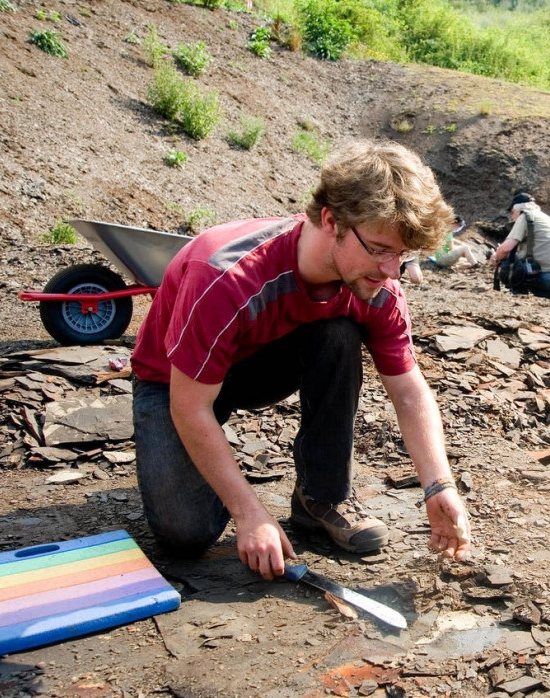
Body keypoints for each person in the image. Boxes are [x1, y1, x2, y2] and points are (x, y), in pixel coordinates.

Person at [129, 139, 473, 581]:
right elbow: (189, 405)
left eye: (402, 256)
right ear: (332, 220)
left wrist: (438, 484)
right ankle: (202, 475)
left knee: (338, 333)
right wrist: (249, 512)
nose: (392, 270)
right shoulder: (225, 275)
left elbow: (408, 391)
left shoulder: (376, 287)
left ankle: (321, 498)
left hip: (259, 366)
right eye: (381, 250)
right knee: (187, 534)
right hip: (174, 382)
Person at [489, 193, 550, 299]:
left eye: (512, 212)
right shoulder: (545, 218)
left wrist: (495, 257)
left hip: (546, 276)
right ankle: (545, 294)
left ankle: (519, 295)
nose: (512, 217)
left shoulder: (525, 216)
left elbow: (505, 249)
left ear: (518, 209)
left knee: (507, 261)